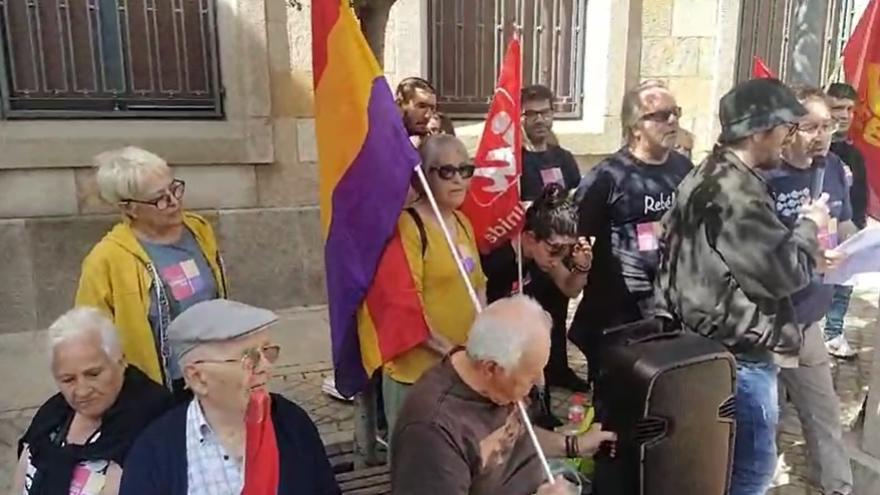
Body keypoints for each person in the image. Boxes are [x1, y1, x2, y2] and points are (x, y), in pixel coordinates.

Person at [654, 78, 830, 495]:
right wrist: (810, 227)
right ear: (757, 132)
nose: (789, 141)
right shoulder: (734, 193)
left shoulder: (715, 175)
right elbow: (783, 274)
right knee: (748, 472)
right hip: (739, 357)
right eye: (785, 130)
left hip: (713, 348)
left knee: (718, 466)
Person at [390, 295, 616, 495]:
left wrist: (575, 445)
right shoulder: (432, 430)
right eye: (529, 376)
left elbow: (517, 436)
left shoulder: (495, 386)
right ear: (491, 368)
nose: (538, 382)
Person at [119, 299, 339, 495]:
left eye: (267, 352)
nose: (265, 368)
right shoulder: (154, 452)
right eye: (249, 359)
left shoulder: (292, 423)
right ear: (198, 379)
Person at [75, 147, 227, 394]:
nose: (174, 202)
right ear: (129, 208)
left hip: (214, 371)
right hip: (158, 388)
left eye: (174, 189)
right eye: (160, 198)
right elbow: (89, 337)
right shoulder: (106, 259)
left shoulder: (199, 230)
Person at [570, 80, 693, 386]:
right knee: (616, 402)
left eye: (675, 112)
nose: (673, 121)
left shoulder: (684, 168)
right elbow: (576, 235)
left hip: (668, 309)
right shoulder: (607, 176)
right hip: (618, 317)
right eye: (662, 115)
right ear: (635, 126)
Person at [764, 86, 854, 495]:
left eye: (828, 126)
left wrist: (856, 251)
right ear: (787, 129)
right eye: (810, 127)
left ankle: (837, 488)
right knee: (764, 419)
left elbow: (845, 226)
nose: (821, 135)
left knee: (824, 414)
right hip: (766, 321)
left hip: (809, 320)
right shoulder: (765, 175)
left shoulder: (833, 168)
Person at [381, 134, 488, 433]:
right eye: (446, 171)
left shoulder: (463, 222)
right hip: (416, 375)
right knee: (414, 462)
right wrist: (454, 353)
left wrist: (484, 340)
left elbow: (478, 286)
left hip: (458, 371)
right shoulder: (408, 227)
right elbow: (404, 307)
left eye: (465, 170)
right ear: (422, 178)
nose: (458, 179)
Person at [12, 307, 171, 495]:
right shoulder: (52, 415)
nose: (82, 390)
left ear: (120, 362)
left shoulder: (157, 421)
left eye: (93, 374)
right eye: (68, 379)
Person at [482, 183, 592, 407]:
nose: (559, 257)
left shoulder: (545, 259)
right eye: (555, 249)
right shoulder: (497, 261)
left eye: (567, 249)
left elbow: (570, 289)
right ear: (530, 238)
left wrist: (581, 268)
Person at [823, 82, 868, 358]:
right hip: (823, 228)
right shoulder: (822, 152)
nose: (844, 115)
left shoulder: (853, 151)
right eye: (837, 107)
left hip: (851, 226)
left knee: (845, 283)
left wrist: (859, 224)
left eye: (850, 109)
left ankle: (834, 333)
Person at [520, 84, 581, 201]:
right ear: (520, 117)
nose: (539, 120)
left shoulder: (565, 159)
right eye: (531, 114)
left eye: (545, 112)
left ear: (552, 114)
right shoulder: (513, 164)